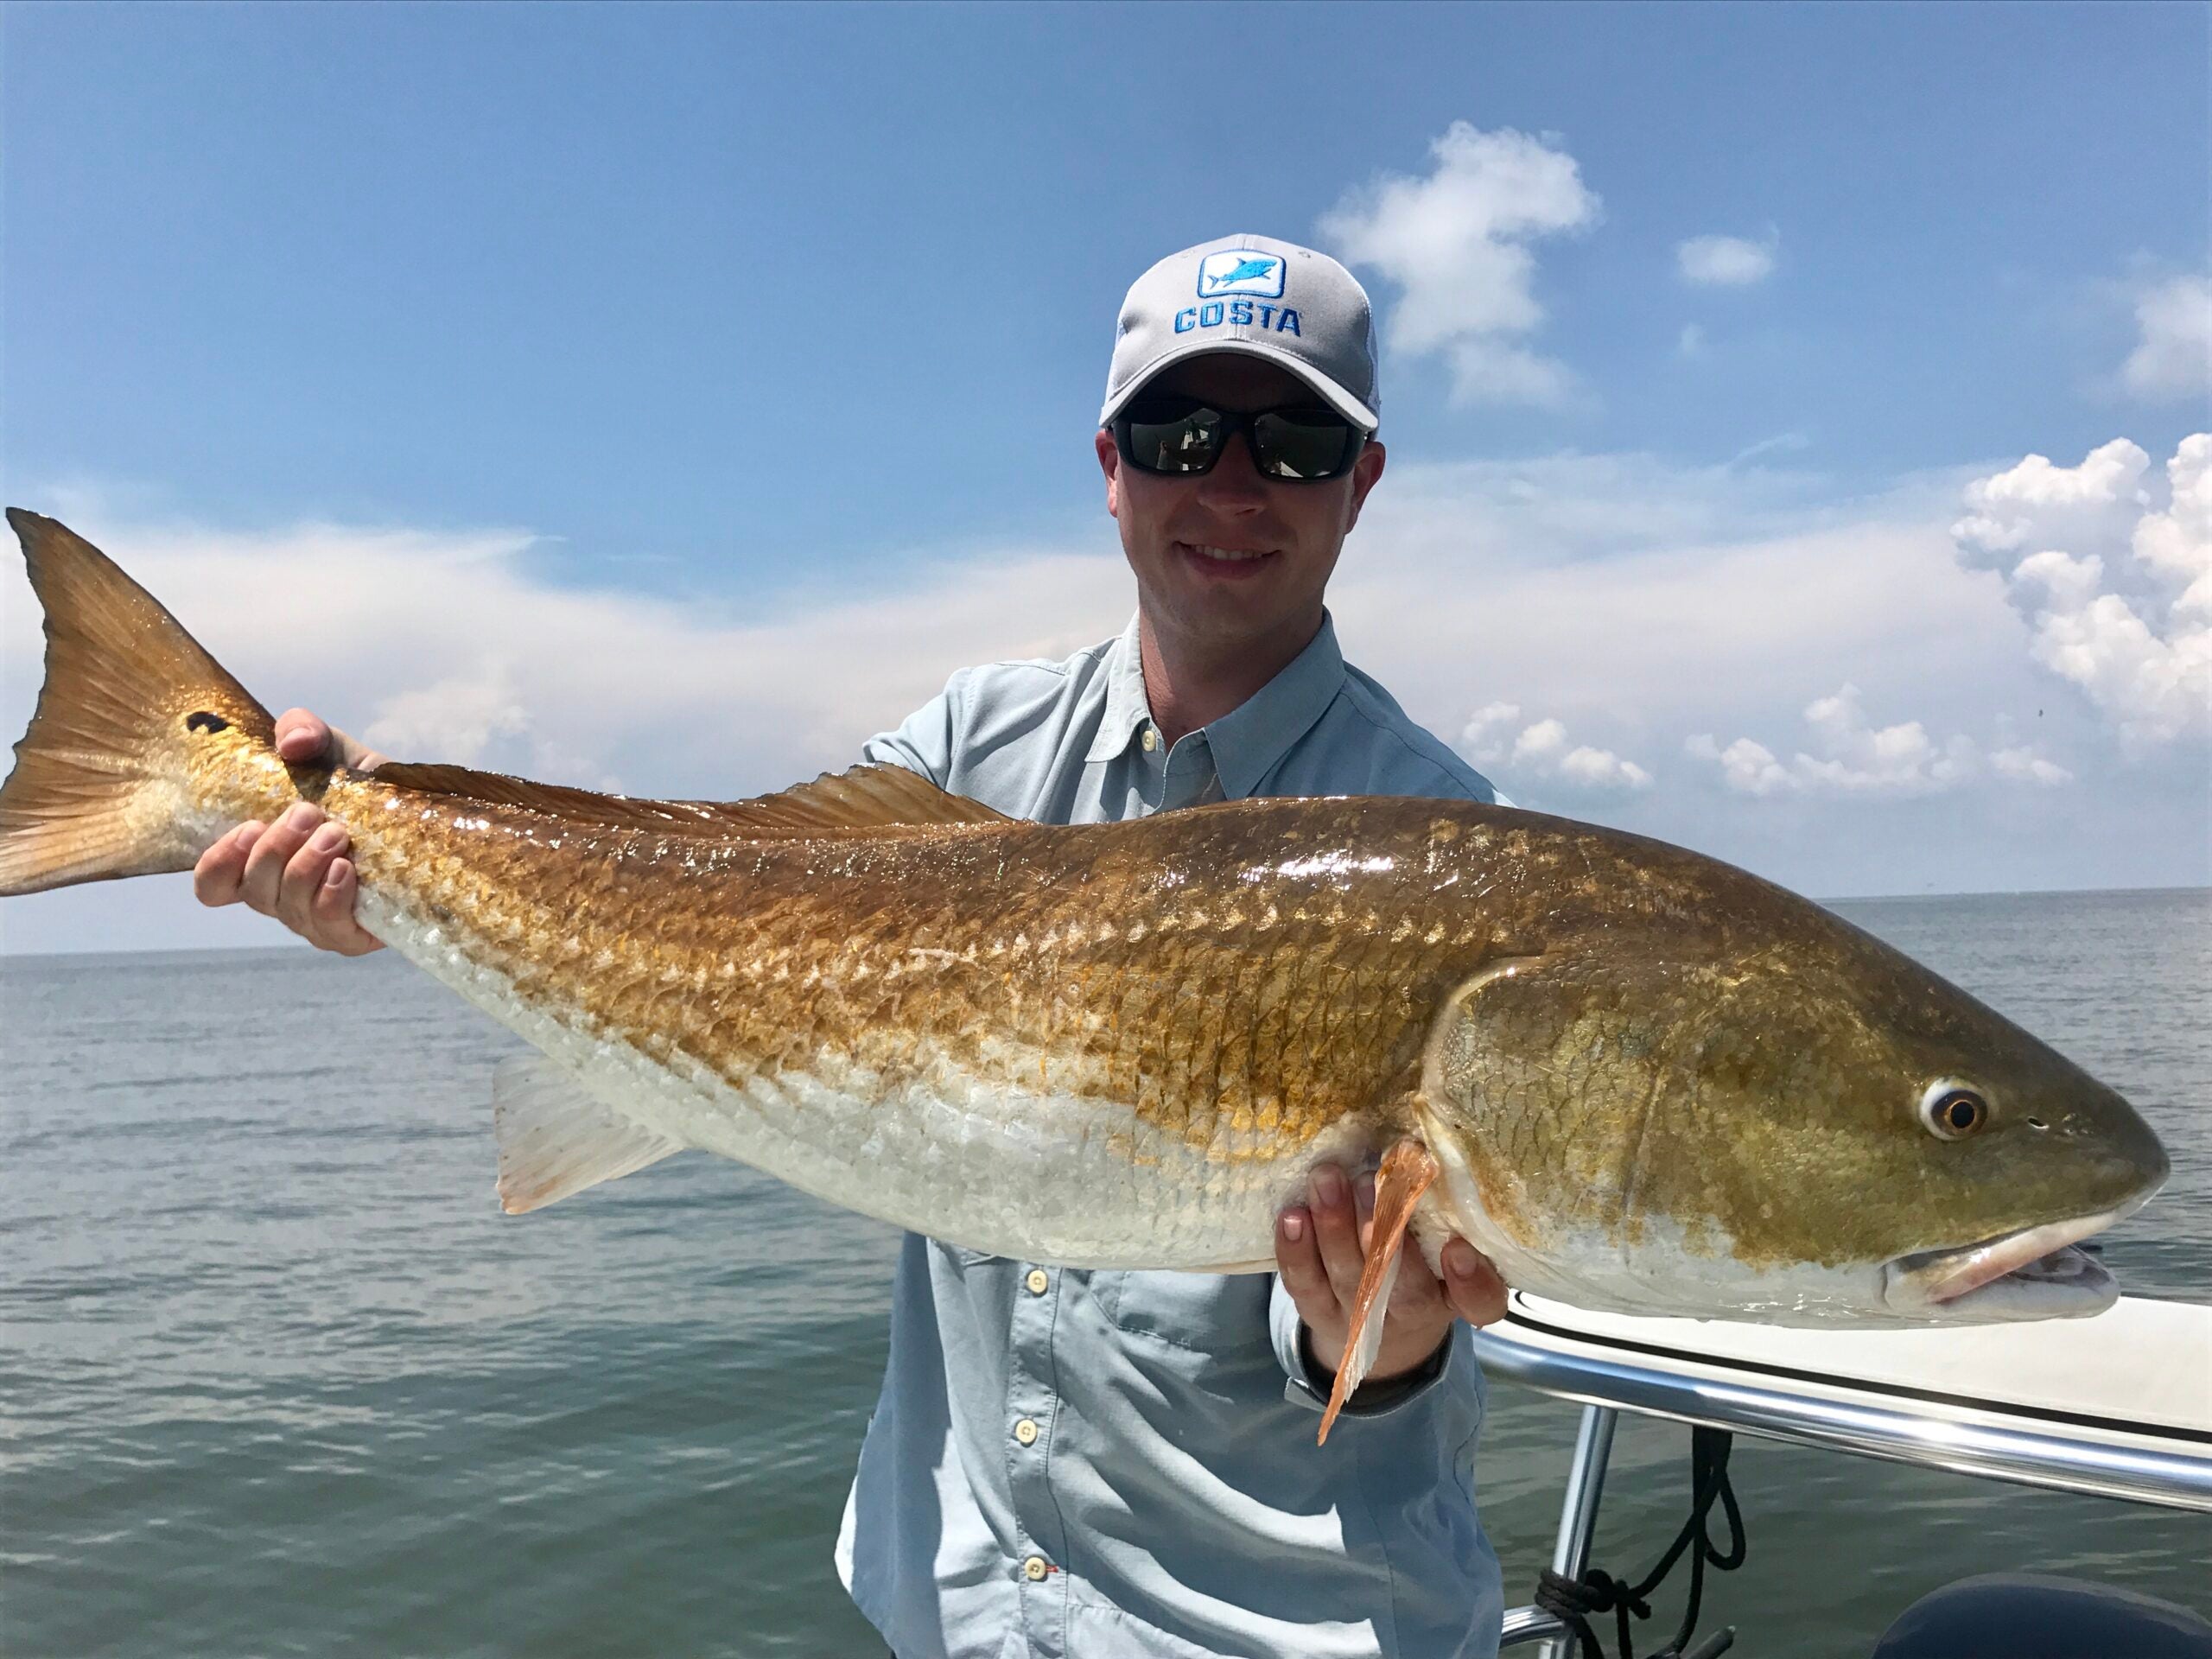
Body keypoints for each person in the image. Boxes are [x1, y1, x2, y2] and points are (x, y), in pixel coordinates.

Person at [194, 234, 1516, 1659]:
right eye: (1179, 430)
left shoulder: (1447, 847)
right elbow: (697, 885)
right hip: (948, 1606)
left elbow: (1391, 1353)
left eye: (1299, 440)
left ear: (1363, 481)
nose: (1234, 483)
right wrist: (386, 841)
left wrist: (1380, 1349)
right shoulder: (971, 741)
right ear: (1110, 465)